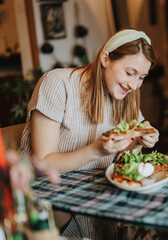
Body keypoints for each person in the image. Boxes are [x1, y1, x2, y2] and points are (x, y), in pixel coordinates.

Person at [19, 28, 160, 238]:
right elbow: (43, 164)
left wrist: (140, 141)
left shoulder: (126, 94)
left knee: (144, 213)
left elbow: (123, 158)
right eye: (129, 73)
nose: (134, 84)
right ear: (105, 59)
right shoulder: (58, 84)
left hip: (100, 189)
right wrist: (97, 150)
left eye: (142, 77)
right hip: (50, 194)